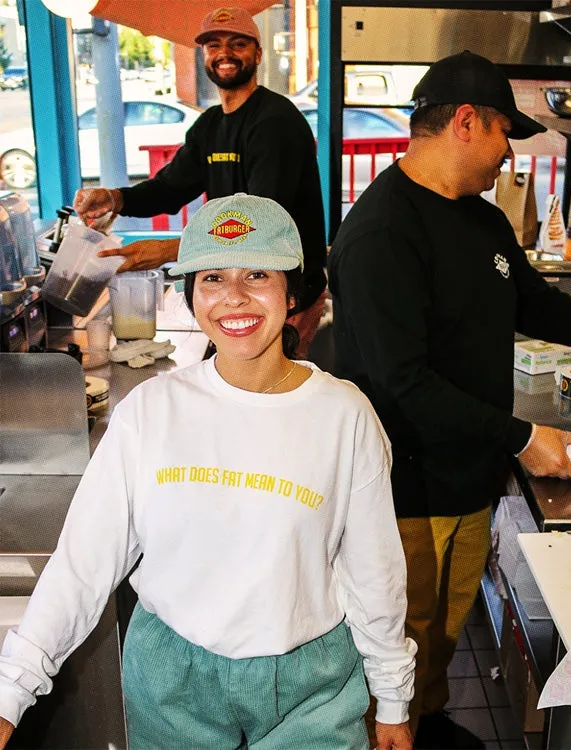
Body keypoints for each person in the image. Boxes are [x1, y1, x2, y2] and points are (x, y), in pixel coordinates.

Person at [327, 51, 571, 749]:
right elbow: (402, 381)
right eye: (505, 134)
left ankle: (425, 728)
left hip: (467, 483)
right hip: (406, 495)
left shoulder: (481, 219)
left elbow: (536, 304)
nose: (510, 153)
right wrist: (523, 436)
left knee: (434, 647)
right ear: (466, 122)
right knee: (394, 655)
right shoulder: (381, 232)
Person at [0, 193, 415, 750]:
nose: (233, 297)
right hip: (173, 681)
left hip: (309, 687)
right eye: (212, 277)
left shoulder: (345, 416)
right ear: (190, 294)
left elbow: (374, 576)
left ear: (292, 291)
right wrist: (10, 692)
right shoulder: (150, 412)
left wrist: (392, 698)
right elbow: (83, 565)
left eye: (257, 274)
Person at [73, 6, 327, 356]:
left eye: (238, 44)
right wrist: (115, 198)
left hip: (285, 294)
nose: (224, 54)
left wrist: (170, 250)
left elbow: (261, 225)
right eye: (213, 45)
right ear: (204, 55)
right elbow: (169, 188)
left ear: (258, 53)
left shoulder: (275, 122)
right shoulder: (209, 126)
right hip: (238, 287)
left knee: (269, 397)